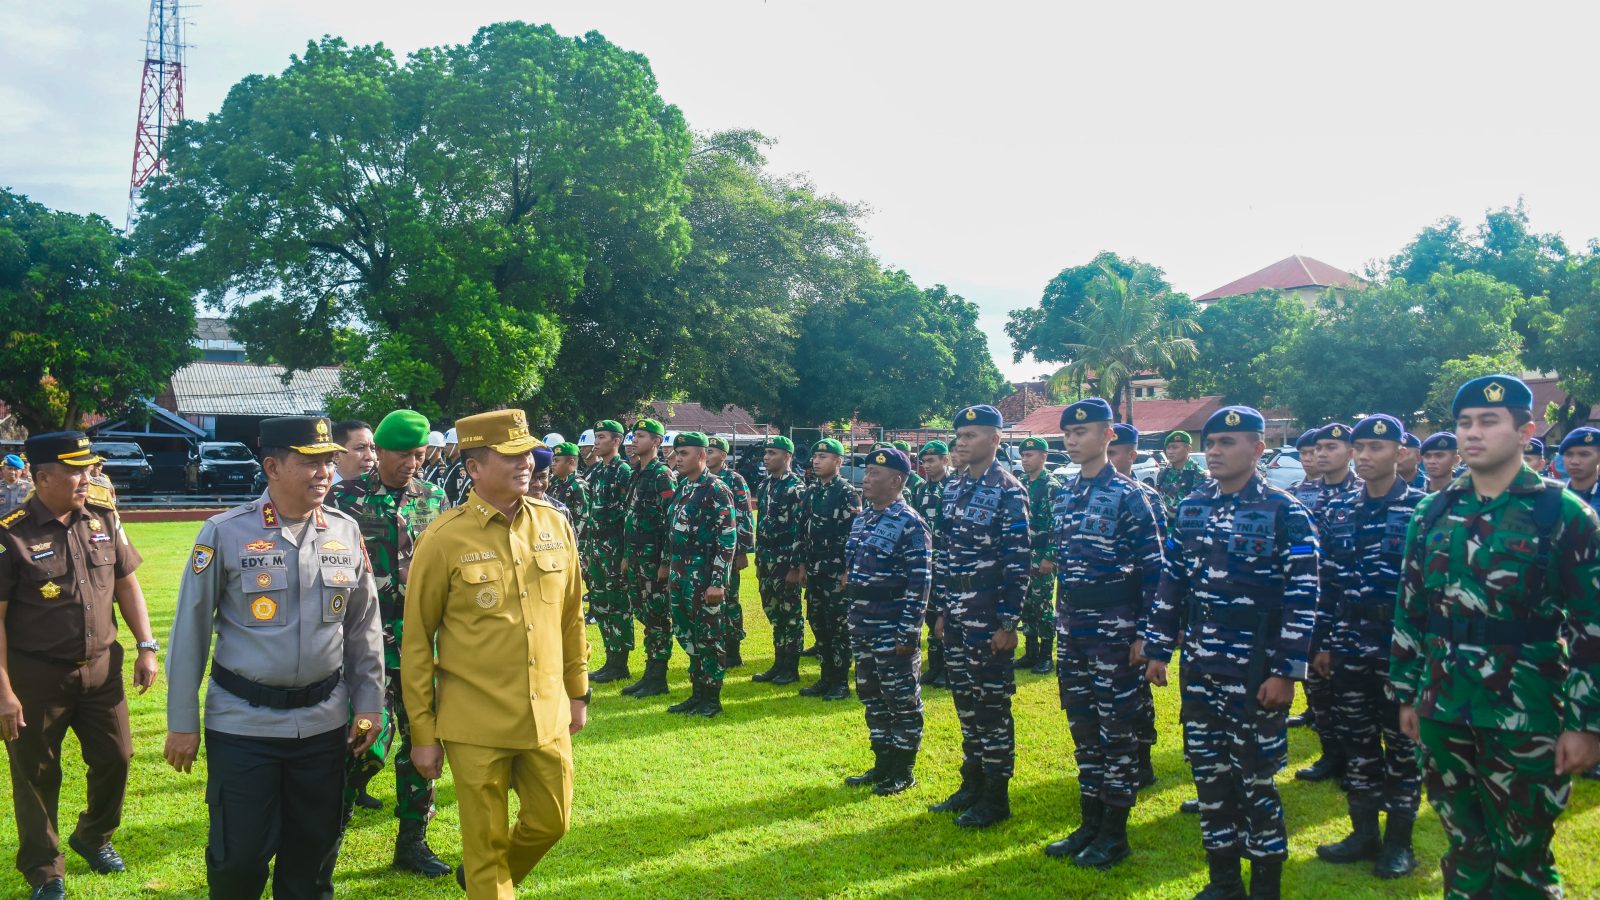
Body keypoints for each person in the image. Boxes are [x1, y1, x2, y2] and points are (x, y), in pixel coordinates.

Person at [1390, 375, 1600, 897]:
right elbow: (1412, 610)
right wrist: (1407, 693)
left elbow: (1592, 627)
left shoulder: (1563, 513)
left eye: (1488, 421)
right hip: (1443, 705)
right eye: (1464, 423)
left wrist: (1586, 724)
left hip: (1526, 710)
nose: (1472, 433)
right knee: (1464, 845)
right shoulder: (1432, 510)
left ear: (1526, 431)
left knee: (1523, 854)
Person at [163, 416, 384, 900]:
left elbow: (363, 628)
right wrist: (182, 720)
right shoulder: (224, 532)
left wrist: (370, 704)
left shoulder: (345, 532)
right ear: (272, 466)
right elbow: (190, 632)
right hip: (244, 726)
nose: (324, 471)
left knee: (313, 856)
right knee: (238, 859)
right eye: (309, 461)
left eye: (329, 460)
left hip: (324, 724)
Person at [401, 410, 590, 898]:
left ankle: (485, 880)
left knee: (552, 823)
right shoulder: (442, 539)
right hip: (475, 722)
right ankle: (488, 882)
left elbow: (572, 617)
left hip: (545, 712)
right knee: (484, 846)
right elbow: (418, 641)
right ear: (474, 468)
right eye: (511, 455)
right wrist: (424, 733)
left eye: (527, 452)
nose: (526, 462)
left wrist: (578, 692)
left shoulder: (555, 525)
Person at [1141, 405, 1319, 899]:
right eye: (1211, 443)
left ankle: (1264, 885)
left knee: (1255, 781)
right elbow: (1172, 581)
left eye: (1227, 443)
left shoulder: (1286, 512)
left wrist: (1286, 672)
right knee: (1209, 776)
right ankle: (1223, 882)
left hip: (1255, 670)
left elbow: (1304, 597)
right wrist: (1158, 646)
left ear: (1258, 449)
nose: (1214, 452)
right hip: (1201, 665)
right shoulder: (1193, 505)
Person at [0, 432, 159, 900]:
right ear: (42, 476)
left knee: (117, 757)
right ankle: (45, 870)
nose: (88, 476)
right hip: (36, 675)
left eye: (91, 467)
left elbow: (126, 583)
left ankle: (93, 836)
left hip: (101, 668)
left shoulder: (103, 516)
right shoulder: (11, 532)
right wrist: (4, 689)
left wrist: (146, 645)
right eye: (76, 469)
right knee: (37, 774)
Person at [325, 409, 451, 875]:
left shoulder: (434, 497)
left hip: (420, 645)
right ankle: (330, 831)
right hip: (362, 646)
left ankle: (412, 842)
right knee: (362, 744)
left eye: (419, 455)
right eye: (403, 455)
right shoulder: (342, 498)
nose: (412, 463)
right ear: (378, 451)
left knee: (423, 741)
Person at [1037, 403, 1162, 869]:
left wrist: (1146, 636)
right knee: (1084, 730)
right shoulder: (1065, 492)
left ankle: (1115, 832)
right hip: (1073, 628)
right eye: (1067, 433)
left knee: (1118, 733)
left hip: (1116, 630)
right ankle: (1089, 823)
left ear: (1108, 435)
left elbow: (1155, 570)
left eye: (1081, 431)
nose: (1071, 440)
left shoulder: (1133, 495)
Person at [1309, 414, 1425, 879]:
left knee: (1401, 744)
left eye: (1378, 448)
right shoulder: (1340, 510)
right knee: (1356, 740)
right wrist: (1321, 642)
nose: (1366, 456)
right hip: (1349, 643)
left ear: (1400, 453)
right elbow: (1326, 583)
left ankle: (1399, 843)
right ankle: (1363, 834)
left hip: (1401, 647)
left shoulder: (1423, 509)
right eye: (1360, 448)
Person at [928, 405, 1029, 829]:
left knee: (991, 708)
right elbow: (943, 553)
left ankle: (995, 796)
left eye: (972, 435)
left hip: (989, 618)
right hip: (957, 615)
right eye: (960, 436)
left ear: (995, 440)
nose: (962, 442)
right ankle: (971, 783)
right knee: (966, 705)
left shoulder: (1009, 490)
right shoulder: (952, 490)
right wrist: (941, 611)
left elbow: (1018, 560)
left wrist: (1008, 623)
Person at [842, 448, 931, 796]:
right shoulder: (863, 519)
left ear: (896, 480)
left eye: (875, 474)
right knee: (872, 696)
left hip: (892, 625)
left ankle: (903, 769)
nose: (867, 478)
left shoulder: (910, 522)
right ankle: (882, 762)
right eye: (866, 472)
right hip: (862, 623)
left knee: (902, 699)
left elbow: (920, 581)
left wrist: (909, 631)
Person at [1291, 422, 1358, 785]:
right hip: (1312, 606)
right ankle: (1331, 754)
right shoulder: (1299, 495)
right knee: (1318, 687)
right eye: (1318, 447)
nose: (1321, 453)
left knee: (1350, 691)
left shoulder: (1364, 495)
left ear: (1351, 452)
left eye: (1331, 447)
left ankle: (1356, 759)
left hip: (1351, 610)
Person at [660, 433, 737, 717]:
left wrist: (718, 582)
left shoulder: (716, 489)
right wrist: (667, 566)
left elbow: (727, 537)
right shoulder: (683, 487)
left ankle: (712, 699)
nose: (678, 458)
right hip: (681, 574)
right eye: (677, 453)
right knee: (687, 634)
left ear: (702, 456)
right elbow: (671, 532)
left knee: (708, 637)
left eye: (685, 453)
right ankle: (697, 693)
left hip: (703, 575)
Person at [1108, 423, 1165, 793]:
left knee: (1136, 693)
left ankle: (1142, 757)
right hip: (1099, 616)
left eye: (1116, 453)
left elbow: (1156, 566)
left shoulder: (1145, 497)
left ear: (1131, 454)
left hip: (1130, 612)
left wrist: (1150, 626)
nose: (1109, 460)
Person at [798, 439, 862, 700]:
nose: (816, 461)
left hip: (836, 572)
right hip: (815, 570)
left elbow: (856, 536)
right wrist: (802, 565)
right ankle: (825, 677)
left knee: (839, 627)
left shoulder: (847, 493)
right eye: (815, 456)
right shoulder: (812, 491)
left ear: (838, 461)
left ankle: (840, 682)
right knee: (818, 623)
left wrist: (849, 570)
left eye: (823, 456)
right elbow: (803, 530)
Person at [620, 419, 677, 698]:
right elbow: (629, 517)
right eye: (633, 435)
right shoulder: (636, 473)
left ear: (656, 442)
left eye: (640, 436)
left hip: (654, 559)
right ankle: (649, 673)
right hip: (636, 556)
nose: (633, 440)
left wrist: (666, 562)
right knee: (644, 613)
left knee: (658, 617)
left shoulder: (662, 475)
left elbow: (671, 521)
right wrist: (625, 556)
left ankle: (658, 677)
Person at [582, 421, 634, 684]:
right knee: (601, 604)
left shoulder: (623, 471)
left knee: (618, 604)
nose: (596, 442)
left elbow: (628, 516)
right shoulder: (597, 472)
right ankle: (610, 659)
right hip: (597, 549)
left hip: (614, 549)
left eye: (601, 437)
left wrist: (625, 554)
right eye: (596, 437)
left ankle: (620, 662)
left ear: (616, 441)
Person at [752, 436, 807, 686]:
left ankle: (790, 667)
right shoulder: (765, 485)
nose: (766, 457)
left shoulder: (796, 487)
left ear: (787, 456)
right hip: (767, 560)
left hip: (786, 562)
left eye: (772, 453)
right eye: (765, 453)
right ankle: (779, 662)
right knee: (774, 612)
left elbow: (800, 530)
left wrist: (795, 567)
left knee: (790, 615)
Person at [1014, 436, 1061, 675]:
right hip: (1022, 554)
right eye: (1023, 455)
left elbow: (1057, 525)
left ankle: (1045, 655)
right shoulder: (1020, 482)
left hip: (1041, 554)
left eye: (1029, 455)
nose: (1025, 459)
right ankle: (1030, 652)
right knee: (1026, 604)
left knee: (1042, 605)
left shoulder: (1051, 486)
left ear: (1043, 457)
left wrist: (1049, 557)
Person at [707, 437, 754, 667]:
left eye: (712, 451)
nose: (707, 454)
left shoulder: (734, 480)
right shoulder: (700, 478)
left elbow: (744, 515)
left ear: (723, 456)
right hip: (707, 553)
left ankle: (734, 651)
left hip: (729, 553)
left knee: (730, 601)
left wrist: (743, 551)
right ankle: (717, 647)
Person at [912, 441, 953, 687]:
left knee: (946, 615)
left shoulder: (955, 488)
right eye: (924, 461)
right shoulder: (920, 490)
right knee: (929, 614)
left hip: (948, 561)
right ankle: (935, 666)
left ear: (945, 461)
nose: (926, 466)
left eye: (932, 461)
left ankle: (948, 669)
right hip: (926, 560)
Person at [547, 443, 591, 541]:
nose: (552, 464)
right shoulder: (555, 484)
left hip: (571, 541)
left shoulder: (578, 485)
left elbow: (583, 520)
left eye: (556, 460)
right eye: (553, 460)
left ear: (571, 462)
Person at [1156, 430, 1205, 517]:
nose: (1170, 451)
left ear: (1188, 449)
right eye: (1168, 447)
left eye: (1175, 447)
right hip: (1164, 526)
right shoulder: (1163, 473)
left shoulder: (1199, 475)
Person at [331, 420, 376, 486]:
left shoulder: (383, 491)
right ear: (336, 455)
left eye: (373, 449)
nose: (370, 457)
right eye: (360, 448)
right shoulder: (320, 492)